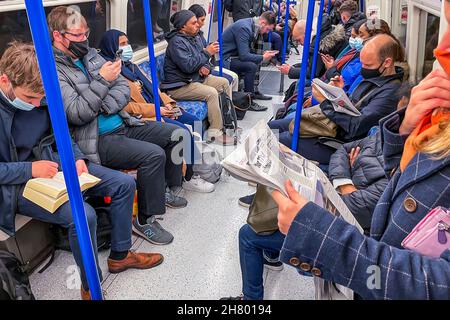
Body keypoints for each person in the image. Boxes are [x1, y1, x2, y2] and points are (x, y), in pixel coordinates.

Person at [273, 0, 450, 299]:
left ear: (385, 63)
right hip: (375, 239)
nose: (439, 51)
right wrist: (404, 130)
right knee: (284, 125)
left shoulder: (390, 91)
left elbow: (435, 284)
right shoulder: (427, 118)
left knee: (287, 133)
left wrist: (321, 236)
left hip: (373, 251)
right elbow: (400, 176)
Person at [0, 42, 164, 301]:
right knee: (82, 215)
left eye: (39, 99)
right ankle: (91, 286)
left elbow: (59, 134)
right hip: (16, 184)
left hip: (54, 166)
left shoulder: (44, 99)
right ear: (5, 80)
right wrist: (30, 169)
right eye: (30, 98)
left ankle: (121, 255)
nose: (36, 104)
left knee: (123, 184)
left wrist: (75, 158)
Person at [48, 6, 186, 246]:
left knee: (176, 133)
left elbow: (122, 87)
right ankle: (144, 220)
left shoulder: (91, 55)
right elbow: (78, 113)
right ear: (58, 36)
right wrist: (102, 81)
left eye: (86, 33)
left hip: (122, 121)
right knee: (152, 155)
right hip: (95, 138)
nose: (84, 40)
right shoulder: (53, 71)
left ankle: (164, 188)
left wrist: (101, 105)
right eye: (77, 36)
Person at [98, 29, 215, 194]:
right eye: (122, 44)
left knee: (193, 121)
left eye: (127, 43)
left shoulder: (132, 67)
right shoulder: (112, 73)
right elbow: (127, 107)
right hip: (145, 114)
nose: (127, 47)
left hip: (161, 107)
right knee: (182, 133)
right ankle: (188, 176)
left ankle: (195, 164)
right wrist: (158, 110)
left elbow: (155, 88)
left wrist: (170, 105)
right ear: (111, 47)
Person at [270, 34, 405, 165]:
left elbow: (355, 127)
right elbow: (352, 106)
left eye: (368, 66)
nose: (363, 69)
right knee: (271, 127)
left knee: (276, 139)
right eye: (362, 64)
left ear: (387, 62)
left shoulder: (390, 94)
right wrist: (339, 91)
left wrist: (325, 102)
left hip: (339, 142)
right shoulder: (375, 78)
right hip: (332, 127)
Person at [328, 83, 412, 233]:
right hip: (340, 183)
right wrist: (345, 181)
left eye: (404, 117)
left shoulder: (405, 168)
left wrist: (350, 170)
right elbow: (343, 150)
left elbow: (355, 208)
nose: (396, 121)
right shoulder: (389, 132)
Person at [162, 10, 235, 145]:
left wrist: (206, 66)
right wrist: (207, 52)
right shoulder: (176, 43)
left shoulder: (194, 37)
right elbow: (188, 66)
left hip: (195, 77)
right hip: (179, 85)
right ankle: (215, 132)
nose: (198, 25)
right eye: (194, 23)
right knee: (211, 93)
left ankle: (227, 120)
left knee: (224, 83)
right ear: (183, 26)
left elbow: (201, 58)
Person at [222, 12, 278, 102]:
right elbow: (244, 56)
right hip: (224, 58)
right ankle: (249, 100)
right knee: (251, 66)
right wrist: (262, 57)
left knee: (254, 60)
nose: (267, 32)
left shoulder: (251, 26)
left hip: (233, 55)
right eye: (268, 29)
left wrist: (262, 55)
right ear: (262, 23)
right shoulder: (244, 28)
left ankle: (253, 92)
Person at [188, 4, 240, 92]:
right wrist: (207, 52)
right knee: (228, 80)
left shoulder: (199, 35)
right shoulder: (187, 38)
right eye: (202, 20)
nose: (203, 23)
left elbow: (204, 50)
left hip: (207, 65)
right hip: (198, 70)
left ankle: (233, 101)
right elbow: (195, 58)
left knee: (234, 76)